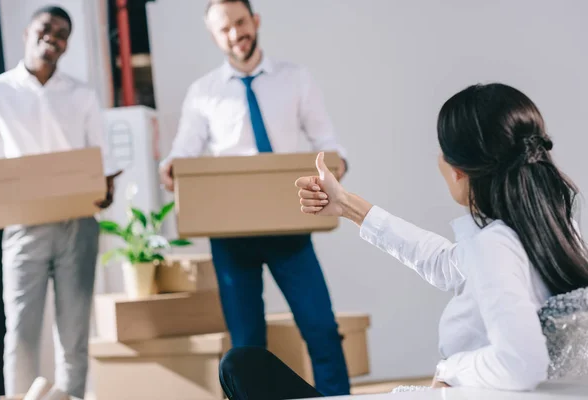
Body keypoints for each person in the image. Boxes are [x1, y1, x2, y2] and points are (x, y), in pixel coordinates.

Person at [218, 83, 588, 399]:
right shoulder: (553, 231)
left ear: (458, 170)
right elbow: (445, 263)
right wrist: (346, 204)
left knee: (241, 366)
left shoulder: (496, 245)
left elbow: (522, 362)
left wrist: (451, 369)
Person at [159, 0, 350, 395]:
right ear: (214, 36)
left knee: (321, 329)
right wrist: (171, 167)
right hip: (231, 236)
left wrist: (338, 163)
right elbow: (184, 152)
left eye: (240, 23)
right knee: (246, 343)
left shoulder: (295, 78)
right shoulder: (203, 93)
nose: (235, 34)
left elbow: (327, 141)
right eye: (224, 29)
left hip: (289, 224)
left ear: (255, 20)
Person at [0, 6, 120, 399]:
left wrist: (104, 188)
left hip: (77, 224)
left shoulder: (81, 94)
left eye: (63, 33)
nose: (53, 37)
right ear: (29, 31)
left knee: (74, 335)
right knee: (21, 333)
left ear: (67, 44)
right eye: (47, 28)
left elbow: (102, 160)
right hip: (23, 226)